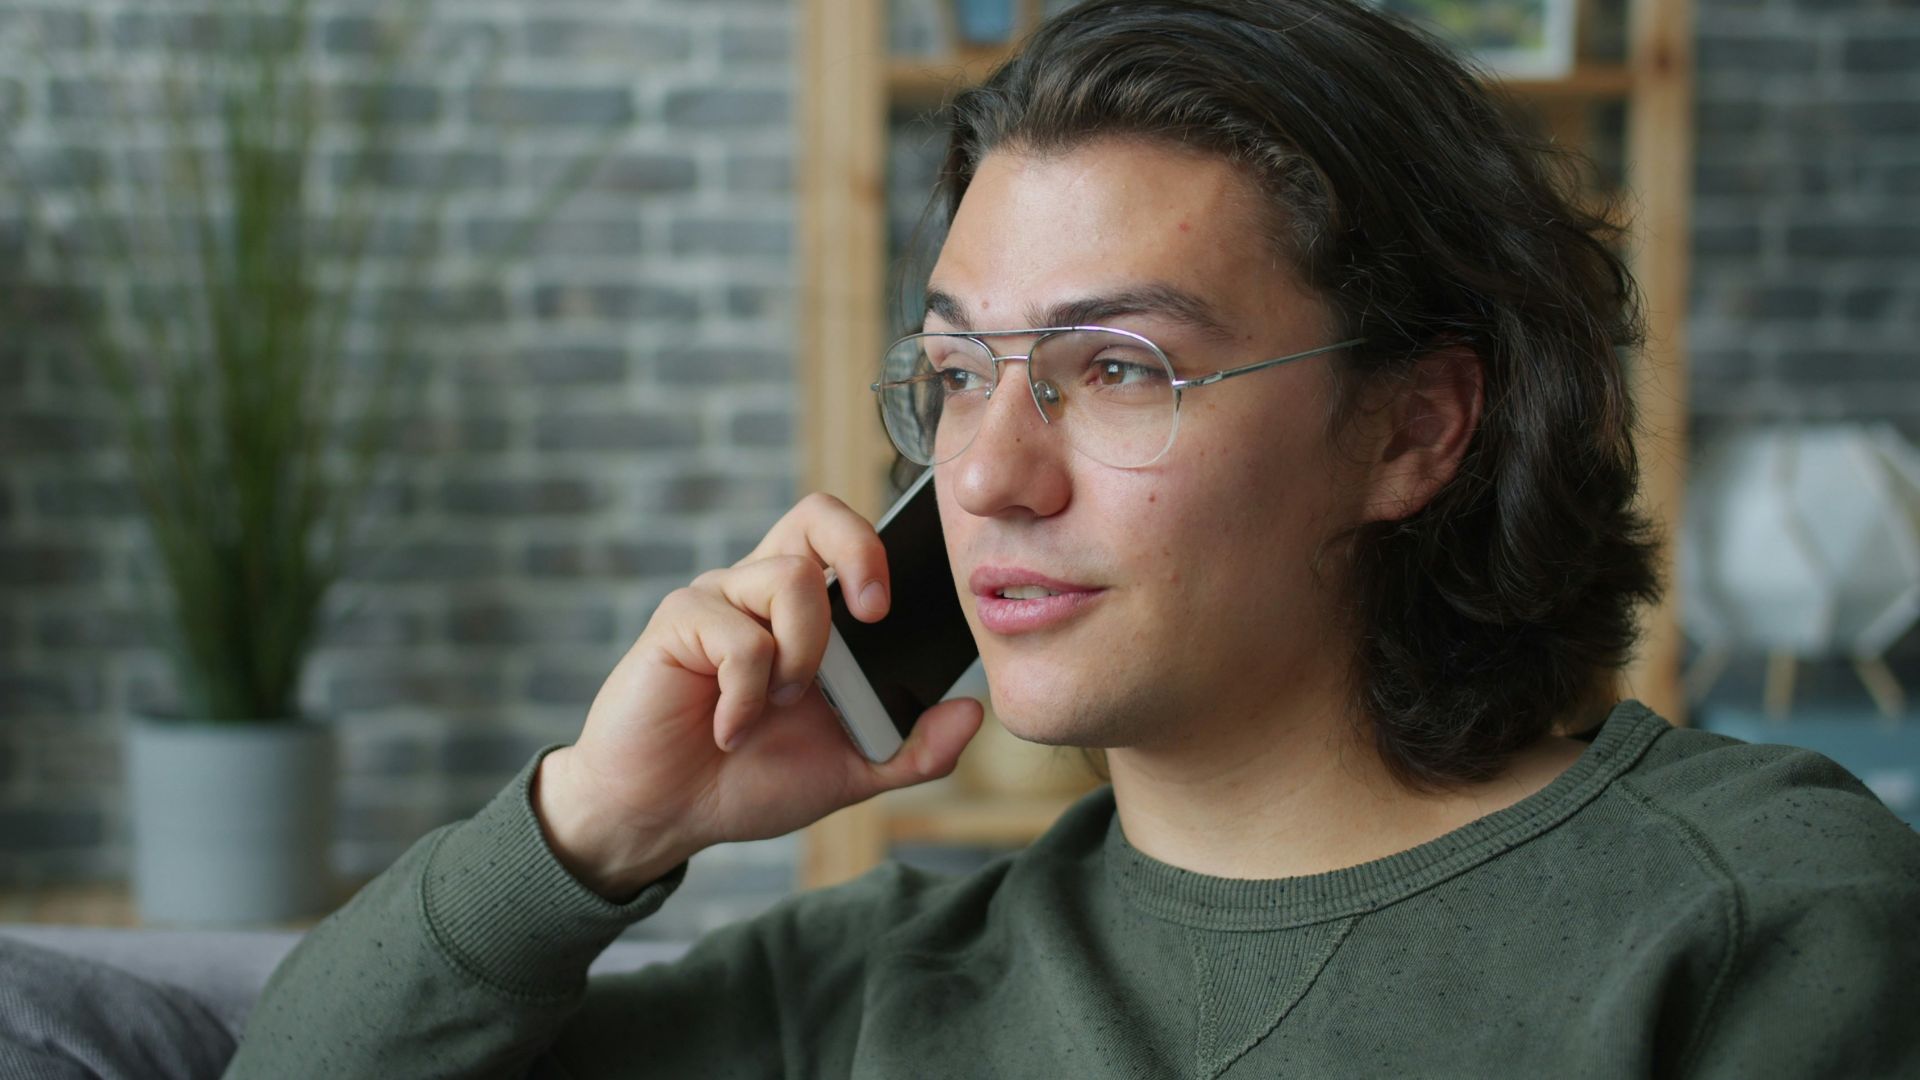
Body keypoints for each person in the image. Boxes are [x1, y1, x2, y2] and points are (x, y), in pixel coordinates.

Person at [225, 1, 1920, 1076]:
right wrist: (590, 829)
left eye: (1117, 368)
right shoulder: (881, 987)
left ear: (1416, 428)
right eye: (959, 373)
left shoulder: (1749, 908)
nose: (986, 475)